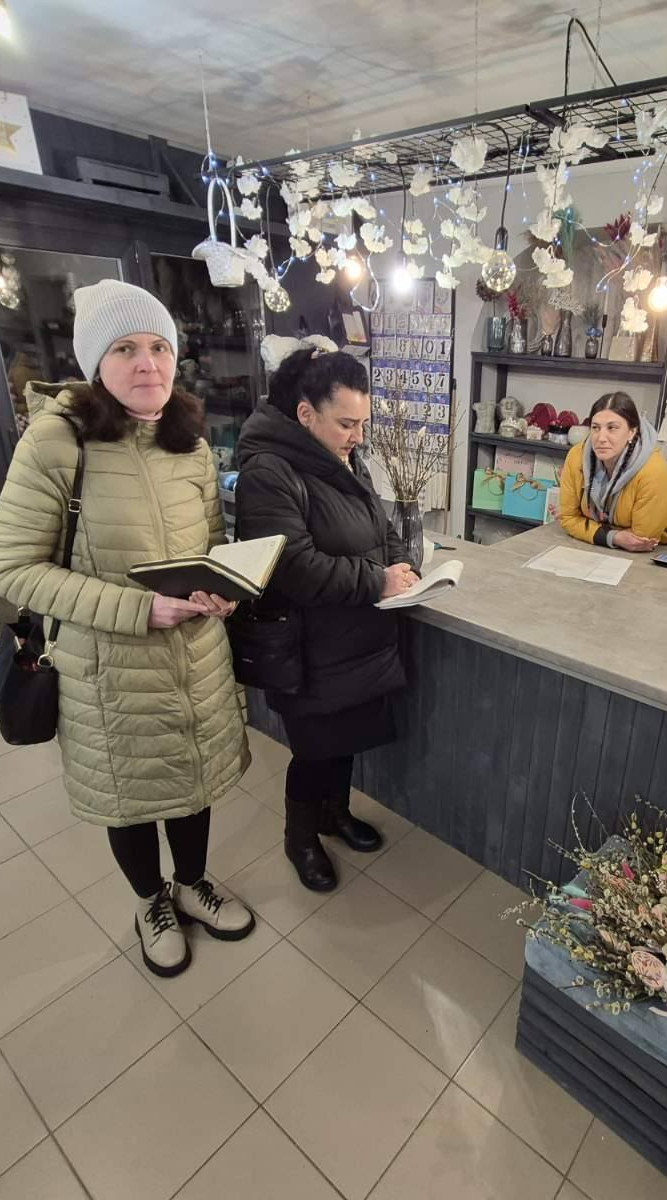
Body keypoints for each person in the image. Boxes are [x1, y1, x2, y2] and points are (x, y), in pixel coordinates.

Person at [0, 279, 254, 979]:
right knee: (130, 792)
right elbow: (10, 568)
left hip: (195, 657)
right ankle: (150, 901)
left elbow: (211, 545)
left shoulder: (189, 442)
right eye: (126, 349)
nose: (147, 364)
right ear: (95, 364)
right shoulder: (56, 441)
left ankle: (191, 884)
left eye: (159, 347)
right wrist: (137, 610)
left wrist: (222, 591)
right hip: (109, 666)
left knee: (191, 779)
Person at [234, 348, 416, 892]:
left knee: (345, 742)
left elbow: (380, 525)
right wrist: (377, 581)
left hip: (354, 639)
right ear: (305, 413)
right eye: (346, 423)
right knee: (313, 751)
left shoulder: (341, 455)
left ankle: (335, 813)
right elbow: (293, 567)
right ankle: (300, 838)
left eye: (362, 423)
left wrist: (402, 563)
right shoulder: (269, 471)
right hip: (308, 646)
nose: (357, 436)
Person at [558, 391, 667, 551]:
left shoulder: (653, 471)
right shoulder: (577, 457)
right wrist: (613, 537)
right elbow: (568, 518)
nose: (601, 438)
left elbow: (640, 539)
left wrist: (588, 528)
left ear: (632, 432)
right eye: (596, 428)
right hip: (609, 547)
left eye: (612, 428)